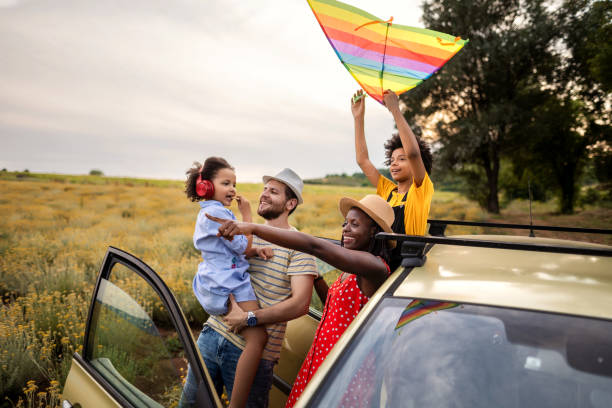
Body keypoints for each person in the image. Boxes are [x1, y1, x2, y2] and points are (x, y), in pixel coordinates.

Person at [209, 194, 395, 408]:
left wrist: (252, 228)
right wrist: (316, 278)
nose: (346, 229)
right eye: (345, 223)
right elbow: (335, 309)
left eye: (355, 224)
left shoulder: (375, 267)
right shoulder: (351, 270)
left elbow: (315, 247)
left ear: (374, 231)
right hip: (323, 357)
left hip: (347, 367)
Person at [181, 168, 319, 408]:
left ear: (291, 203)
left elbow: (300, 304)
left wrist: (249, 318)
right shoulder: (243, 231)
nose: (264, 195)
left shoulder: (299, 246)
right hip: (212, 333)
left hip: (255, 354)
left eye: (273, 192)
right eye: (264, 189)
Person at [183, 157, 269, 408]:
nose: (232, 189)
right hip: (229, 283)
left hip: (212, 279)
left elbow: (231, 250)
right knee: (258, 339)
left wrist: (254, 252)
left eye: (234, 183)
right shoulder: (221, 214)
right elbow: (243, 245)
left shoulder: (207, 212)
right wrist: (246, 216)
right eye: (225, 183)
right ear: (206, 187)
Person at [351, 89, 434, 268]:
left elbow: (413, 152)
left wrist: (395, 110)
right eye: (392, 160)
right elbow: (363, 161)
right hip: (384, 261)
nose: (394, 164)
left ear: (418, 164)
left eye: (402, 159)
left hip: (408, 264)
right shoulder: (388, 190)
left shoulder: (420, 188)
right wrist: (358, 118)